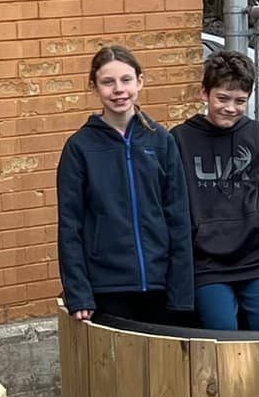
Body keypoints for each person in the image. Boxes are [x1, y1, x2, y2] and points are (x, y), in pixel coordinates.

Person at [56, 44, 195, 324]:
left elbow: (178, 218)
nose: (118, 89)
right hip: (107, 288)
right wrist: (79, 293)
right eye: (108, 82)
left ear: (140, 82)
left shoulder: (161, 140)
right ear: (94, 87)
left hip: (160, 285)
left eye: (126, 80)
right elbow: (70, 226)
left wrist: (181, 291)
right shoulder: (79, 148)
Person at [172, 48, 259, 331]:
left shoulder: (257, 135)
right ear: (204, 93)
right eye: (222, 98)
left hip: (255, 258)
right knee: (221, 326)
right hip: (207, 263)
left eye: (240, 101)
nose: (230, 108)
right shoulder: (179, 140)